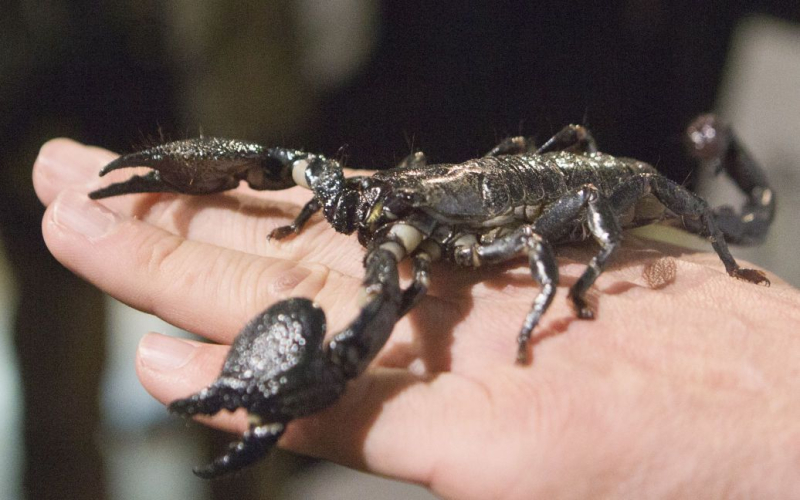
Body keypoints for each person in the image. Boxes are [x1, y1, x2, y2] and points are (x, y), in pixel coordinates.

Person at [34, 138, 800, 498]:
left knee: (531, 234)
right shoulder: (396, 199)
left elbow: (531, 240)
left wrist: (560, 290)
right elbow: (299, 170)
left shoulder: (429, 236)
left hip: (600, 190)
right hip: (478, 183)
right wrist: (307, 208)